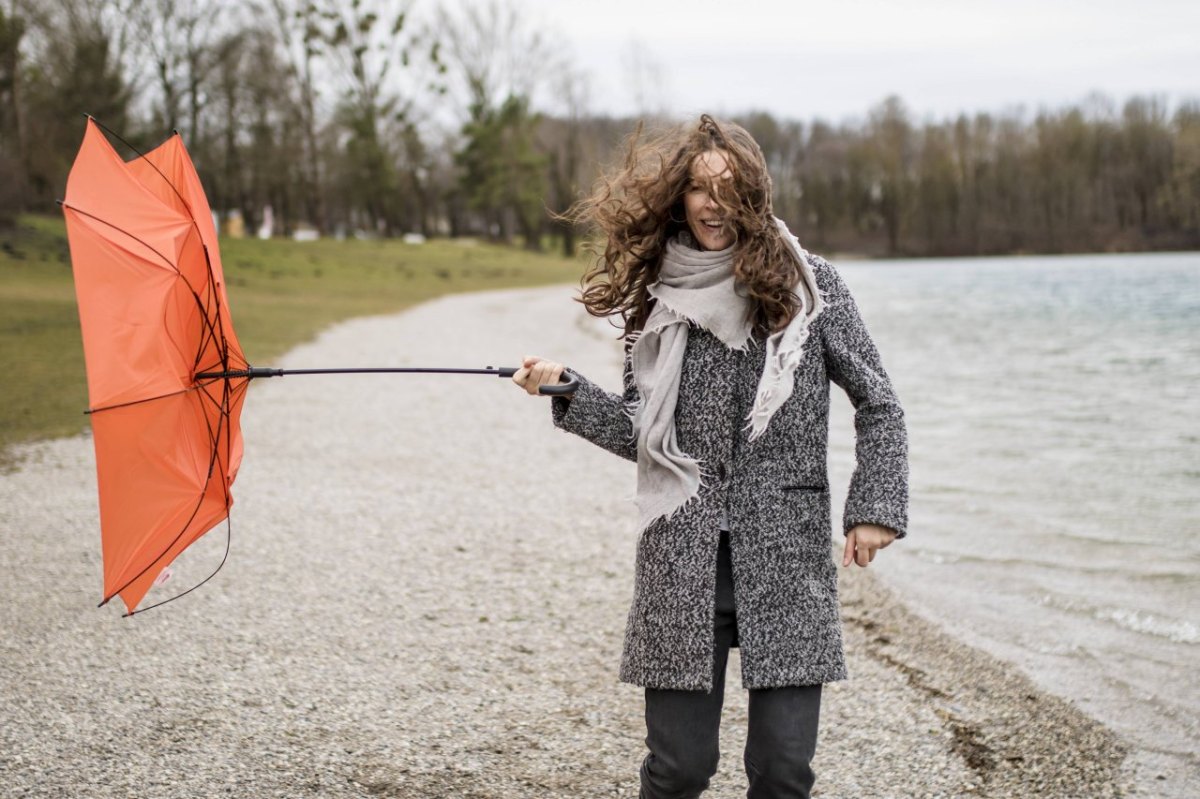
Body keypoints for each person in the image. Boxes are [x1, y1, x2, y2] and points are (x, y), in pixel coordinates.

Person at [512, 115, 908, 799]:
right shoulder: (658, 298)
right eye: (697, 187)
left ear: (753, 195)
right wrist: (569, 389)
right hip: (681, 559)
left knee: (784, 773)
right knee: (679, 771)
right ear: (679, 197)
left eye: (728, 188)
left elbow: (879, 403)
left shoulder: (812, 288)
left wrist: (874, 509)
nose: (712, 203)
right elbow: (645, 427)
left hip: (785, 561)